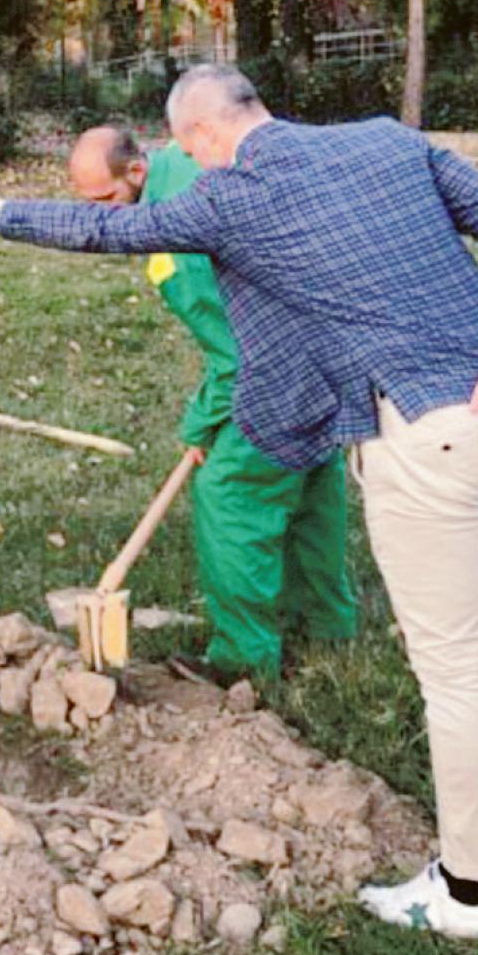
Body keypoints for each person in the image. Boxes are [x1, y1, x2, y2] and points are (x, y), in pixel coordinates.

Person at [0, 64, 478, 943]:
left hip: (433, 435)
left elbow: (108, 230)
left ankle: (472, 894)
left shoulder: (228, 197)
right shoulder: (387, 140)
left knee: (458, 669)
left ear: (197, 137)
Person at [63, 126, 356, 681]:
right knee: (314, 481)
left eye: (106, 202)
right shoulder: (191, 162)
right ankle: (326, 628)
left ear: (137, 172)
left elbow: (235, 352)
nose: (104, 219)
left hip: (273, 374)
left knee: (232, 491)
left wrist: (201, 424)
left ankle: (243, 660)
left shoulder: (178, 245)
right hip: (326, 358)